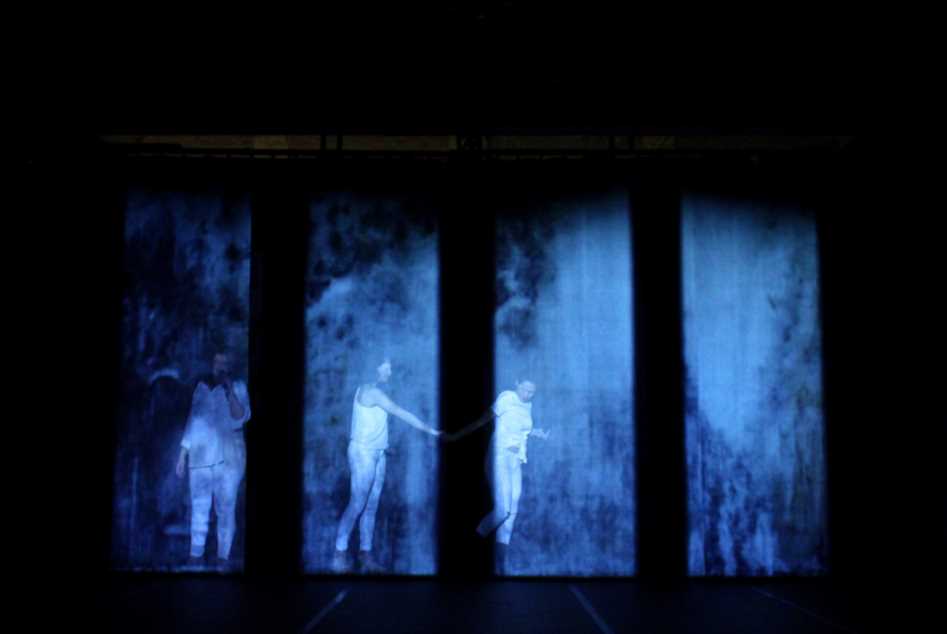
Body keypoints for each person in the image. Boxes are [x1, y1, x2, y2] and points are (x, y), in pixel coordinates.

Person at [331, 359, 442, 573]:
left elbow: (369, 423)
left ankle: (365, 555)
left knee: (370, 506)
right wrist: (432, 431)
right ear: (375, 367)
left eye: (391, 367)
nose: (390, 371)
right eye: (386, 367)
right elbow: (401, 413)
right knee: (357, 503)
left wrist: (384, 446)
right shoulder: (371, 392)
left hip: (377, 453)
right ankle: (339, 554)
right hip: (363, 454)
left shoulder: (373, 389)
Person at [446, 379, 550, 568]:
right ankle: (467, 548)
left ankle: (501, 561)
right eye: (525, 389)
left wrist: (537, 433)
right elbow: (483, 420)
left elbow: (521, 430)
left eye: (532, 392)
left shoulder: (528, 406)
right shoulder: (506, 398)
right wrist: (456, 435)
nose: (527, 394)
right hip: (499, 457)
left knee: (512, 512)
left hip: (516, 460)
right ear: (517, 384)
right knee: (502, 511)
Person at [175, 351, 251, 569]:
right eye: (217, 361)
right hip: (200, 454)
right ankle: (195, 555)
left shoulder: (238, 387)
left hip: (229, 455)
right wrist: (182, 453)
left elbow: (240, 416)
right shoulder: (201, 388)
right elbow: (193, 419)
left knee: (225, 507)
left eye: (225, 362)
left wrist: (229, 391)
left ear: (231, 365)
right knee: (199, 504)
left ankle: (222, 558)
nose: (220, 365)